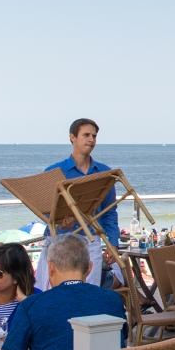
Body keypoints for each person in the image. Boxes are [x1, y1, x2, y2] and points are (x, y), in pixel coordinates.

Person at [39, 118, 122, 289]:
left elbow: (110, 212)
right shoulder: (54, 172)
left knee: (87, 293)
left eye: (94, 136)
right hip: (58, 241)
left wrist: (113, 243)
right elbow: (46, 212)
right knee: (51, 293)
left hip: (90, 242)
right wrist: (60, 222)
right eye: (86, 135)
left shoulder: (104, 172)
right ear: (72, 138)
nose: (91, 139)